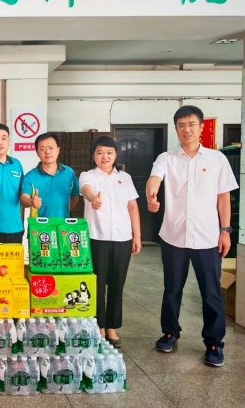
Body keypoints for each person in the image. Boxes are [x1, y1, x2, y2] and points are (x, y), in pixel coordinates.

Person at [146, 105, 237, 367]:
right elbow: (155, 178)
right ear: (176, 129)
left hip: (207, 238)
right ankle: (170, 333)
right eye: (181, 125)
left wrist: (225, 230)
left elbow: (223, 198)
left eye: (191, 124)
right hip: (174, 236)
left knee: (211, 292)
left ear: (201, 127)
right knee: (172, 288)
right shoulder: (167, 158)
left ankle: (214, 344)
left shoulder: (216, 159)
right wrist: (152, 194)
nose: (187, 130)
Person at [80, 135, 141, 346]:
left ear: (115, 155)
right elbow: (86, 189)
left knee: (117, 283)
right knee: (97, 283)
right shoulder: (88, 175)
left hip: (122, 238)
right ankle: (99, 325)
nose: (104, 157)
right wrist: (93, 199)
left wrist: (137, 235)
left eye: (109, 153)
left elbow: (132, 207)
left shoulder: (125, 178)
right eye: (100, 153)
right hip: (97, 237)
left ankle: (112, 326)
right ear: (93, 155)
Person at [20, 132, 79, 218]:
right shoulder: (30, 177)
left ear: (58, 150)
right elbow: (23, 198)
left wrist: (63, 211)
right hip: (38, 225)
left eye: (51, 148)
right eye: (42, 149)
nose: (47, 152)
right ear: (37, 153)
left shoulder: (69, 173)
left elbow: (75, 197)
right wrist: (31, 201)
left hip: (63, 224)